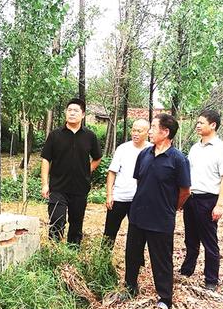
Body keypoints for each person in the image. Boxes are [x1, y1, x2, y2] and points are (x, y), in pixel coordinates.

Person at [124, 113, 191, 309]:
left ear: (166, 132)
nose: (150, 131)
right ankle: (130, 287)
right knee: (132, 254)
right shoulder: (144, 154)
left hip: (161, 218)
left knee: (161, 259)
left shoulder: (178, 159)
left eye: (153, 127)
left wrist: (172, 207)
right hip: (138, 214)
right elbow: (140, 181)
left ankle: (165, 297)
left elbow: (185, 191)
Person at [180, 109, 223, 291]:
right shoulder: (195, 148)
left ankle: (211, 279)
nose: (198, 125)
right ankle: (187, 270)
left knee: (209, 241)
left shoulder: (222, 149)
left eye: (201, 122)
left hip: (208, 200)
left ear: (213, 125)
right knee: (190, 238)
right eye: (197, 122)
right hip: (191, 198)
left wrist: (219, 205)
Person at [41, 98, 102, 245]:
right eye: (69, 110)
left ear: (83, 115)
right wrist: (44, 184)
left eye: (76, 111)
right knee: (57, 220)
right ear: (65, 113)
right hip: (58, 187)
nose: (72, 113)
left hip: (80, 188)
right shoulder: (55, 135)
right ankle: (54, 250)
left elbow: (97, 158)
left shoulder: (90, 136)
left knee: (76, 224)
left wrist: (87, 170)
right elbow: (46, 159)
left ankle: (73, 251)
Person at [103, 119, 151, 249]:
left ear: (147, 132)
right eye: (133, 130)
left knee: (138, 235)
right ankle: (104, 257)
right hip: (120, 197)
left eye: (139, 131)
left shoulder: (151, 150)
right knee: (110, 232)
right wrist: (109, 194)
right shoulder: (123, 148)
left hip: (140, 200)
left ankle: (135, 260)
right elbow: (112, 172)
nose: (135, 133)